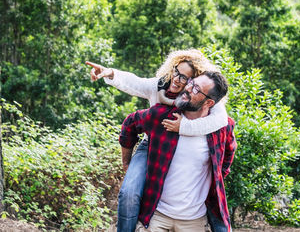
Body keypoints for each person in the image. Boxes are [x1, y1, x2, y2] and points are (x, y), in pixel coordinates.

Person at [85, 49, 228, 231]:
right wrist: (111, 73)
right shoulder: (160, 86)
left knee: (215, 199)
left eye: (185, 78)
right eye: (176, 72)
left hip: (181, 149)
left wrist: (183, 127)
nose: (177, 79)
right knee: (129, 193)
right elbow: (135, 83)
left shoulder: (198, 99)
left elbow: (221, 120)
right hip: (151, 143)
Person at [120, 71, 236, 232]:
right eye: (191, 83)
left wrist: (214, 178)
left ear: (209, 103)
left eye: (196, 89)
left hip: (194, 221)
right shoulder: (162, 116)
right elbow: (130, 124)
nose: (188, 88)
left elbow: (227, 158)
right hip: (156, 216)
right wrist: (127, 162)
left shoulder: (221, 129)